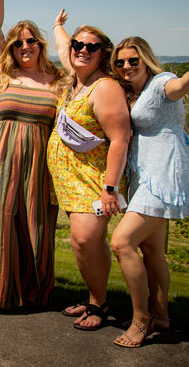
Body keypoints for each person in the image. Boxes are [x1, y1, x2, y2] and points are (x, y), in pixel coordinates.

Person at [0, 0, 66, 315]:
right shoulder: (0, 74)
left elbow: (74, 57)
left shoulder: (57, 81)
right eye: (19, 42)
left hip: (40, 162)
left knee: (34, 224)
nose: (25, 46)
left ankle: (33, 290)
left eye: (32, 41)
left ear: (40, 45)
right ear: (11, 48)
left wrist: (58, 29)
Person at [48, 12, 130, 330]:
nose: (82, 50)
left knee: (84, 239)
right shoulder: (76, 80)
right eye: (77, 44)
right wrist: (58, 27)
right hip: (68, 179)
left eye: (91, 47)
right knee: (88, 242)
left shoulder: (104, 87)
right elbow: (60, 46)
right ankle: (95, 296)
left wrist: (109, 188)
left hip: (93, 180)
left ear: (102, 53)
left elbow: (121, 139)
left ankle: (100, 303)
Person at [109, 37, 189, 347]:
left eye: (133, 61)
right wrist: (59, 29)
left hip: (162, 176)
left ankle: (140, 320)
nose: (126, 67)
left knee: (122, 241)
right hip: (144, 178)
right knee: (153, 251)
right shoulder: (133, 93)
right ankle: (163, 315)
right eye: (120, 63)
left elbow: (180, 86)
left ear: (146, 60)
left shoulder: (160, 83)